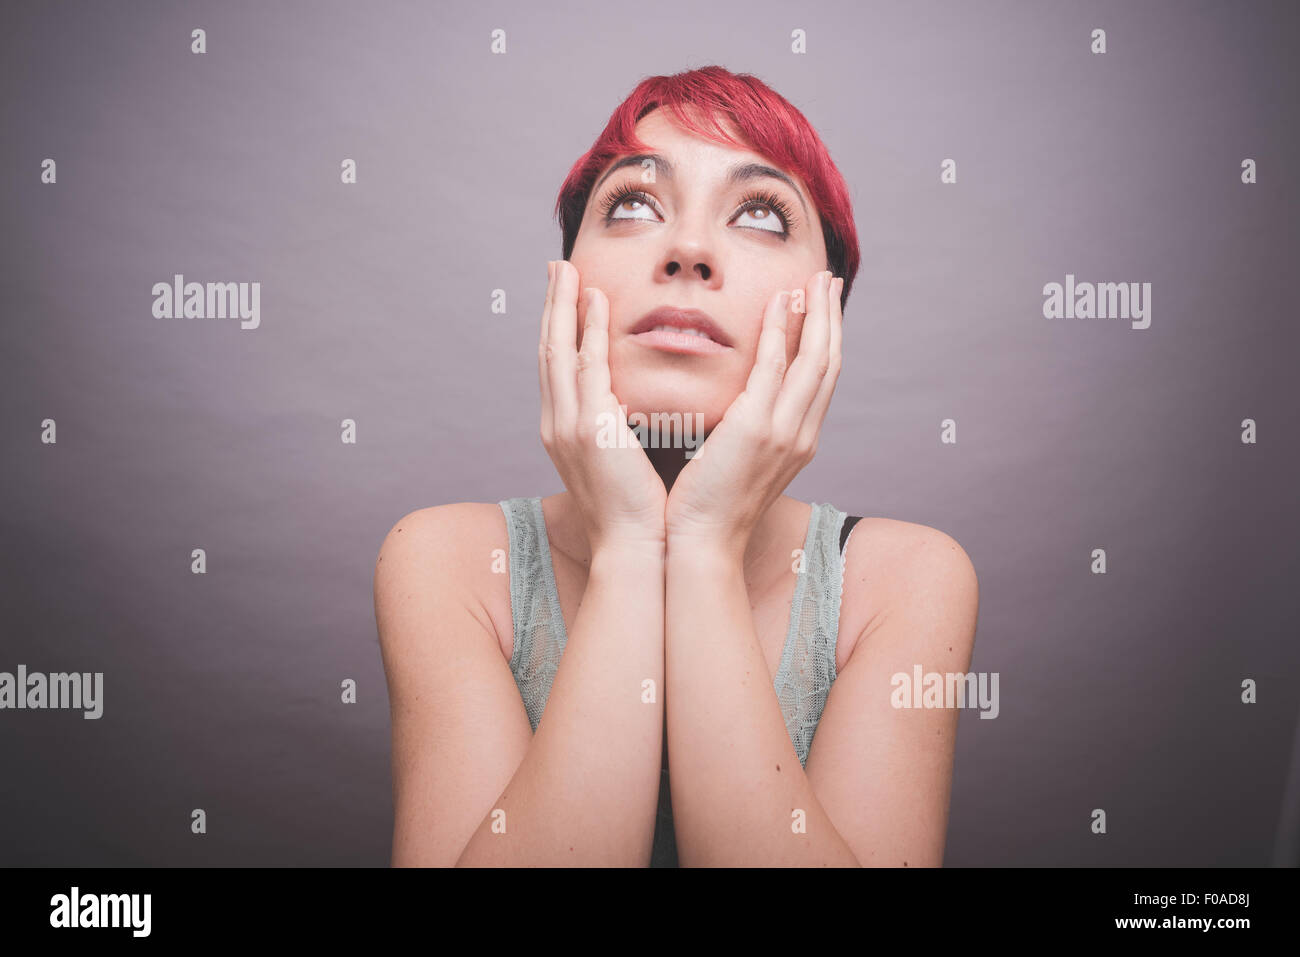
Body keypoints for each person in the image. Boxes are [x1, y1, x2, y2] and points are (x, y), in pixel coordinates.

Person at [374, 66, 979, 867]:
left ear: (826, 312)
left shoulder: (906, 581)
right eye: (632, 204)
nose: (689, 250)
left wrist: (702, 544)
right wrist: (631, 543)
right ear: (565, 284)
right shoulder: (444, 562)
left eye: (760, 215)